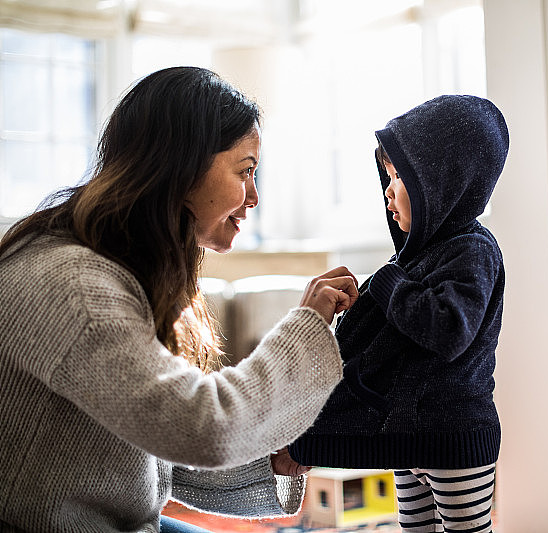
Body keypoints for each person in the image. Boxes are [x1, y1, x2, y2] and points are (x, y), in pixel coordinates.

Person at [0, 66, 358, 532]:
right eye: (246, 171)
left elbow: (152, 453)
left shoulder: (123, 268)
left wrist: (275, 460)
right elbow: (203, 430)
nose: (254, 197)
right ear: (181, 167)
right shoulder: (75, 291)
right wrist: (306, 324)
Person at [289, 95, 509, 532]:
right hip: (408, 435)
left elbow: (449, 330)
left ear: (441, 185)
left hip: (455, 438)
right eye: (386, 177)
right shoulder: (416, 257)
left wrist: (386, 284)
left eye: (400, 178)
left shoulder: (473, 251)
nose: (388, 190)